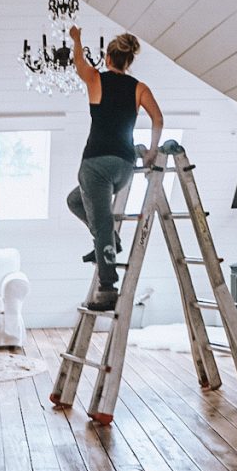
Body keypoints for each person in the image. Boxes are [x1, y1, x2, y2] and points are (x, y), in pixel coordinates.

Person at [66, 26, 163, 311]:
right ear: (128, 61)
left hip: (95, 165)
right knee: (74, 201)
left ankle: (107, 289)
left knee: (103, 220)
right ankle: (110, 242)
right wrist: (152, 151)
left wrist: (77, 40)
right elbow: (157, 119)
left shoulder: (96, 79)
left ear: (108, 58)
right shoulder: (139, 87)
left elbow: (79, 63)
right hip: (123, 166)